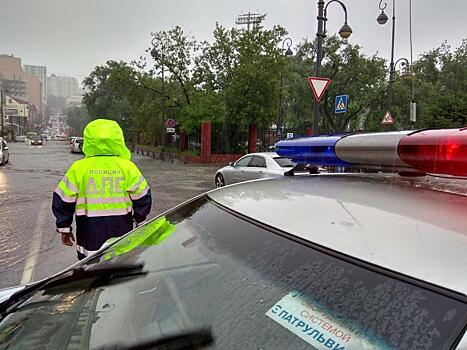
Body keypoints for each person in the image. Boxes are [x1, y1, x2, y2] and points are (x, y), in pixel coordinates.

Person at [52, 119, 152, 260]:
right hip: (121, 239)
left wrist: (65, 229)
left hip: (89, 241)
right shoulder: (128, 167)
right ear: (118, 140)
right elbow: (143, 197)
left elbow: (62, 200)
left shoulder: (78, 169)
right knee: (120, 274)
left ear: (89, 141)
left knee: (92, 277)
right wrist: (139, 220)